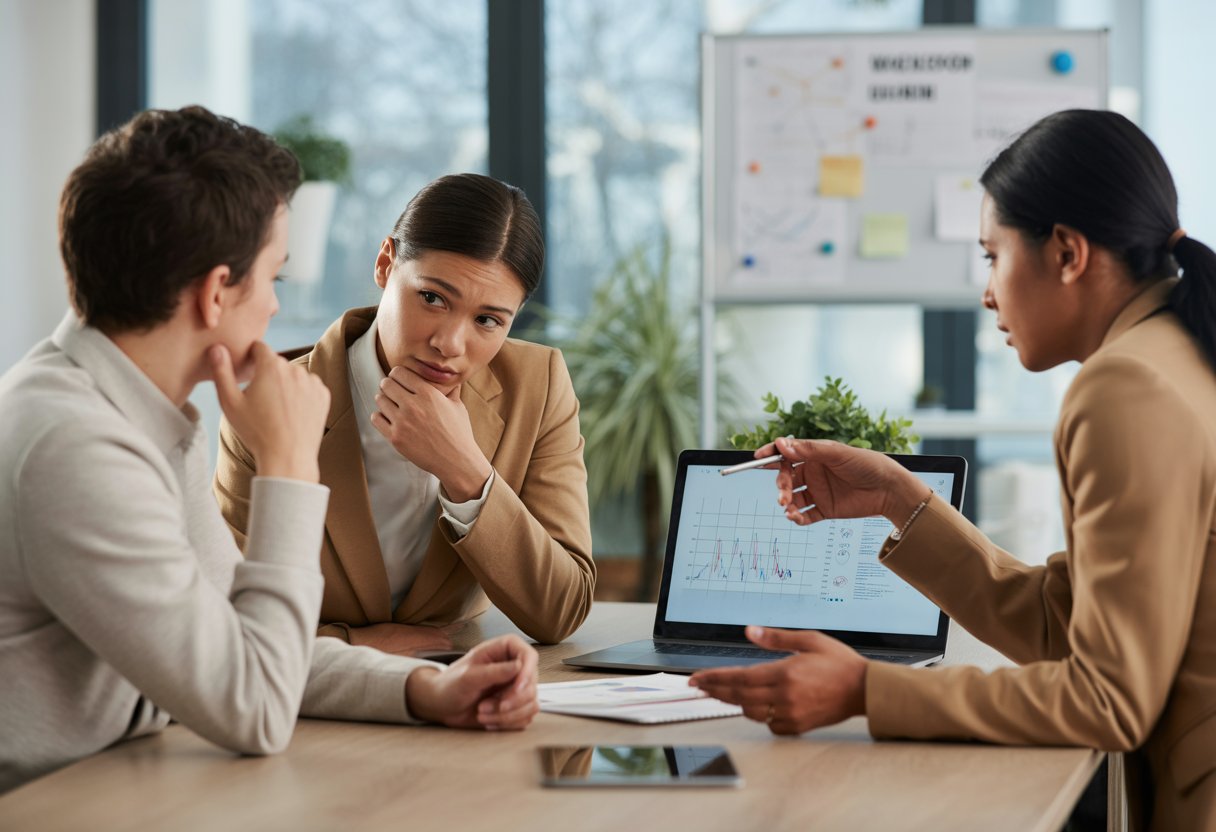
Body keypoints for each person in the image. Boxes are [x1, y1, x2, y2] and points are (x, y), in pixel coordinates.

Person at [689, 109, 1216, 831]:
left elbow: (1109, 700)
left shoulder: (1126, 389)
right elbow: (1067, 624)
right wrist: (898, 497)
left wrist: (867, 691)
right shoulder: (1177, 358)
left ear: (1066, 252)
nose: (987, 292)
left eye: (991, 256)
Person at [0, 107, 539, 794]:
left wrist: (428, 687)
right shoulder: (72, 444)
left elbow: (246, 643)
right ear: (216, 293)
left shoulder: (127, 413)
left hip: (119, 783)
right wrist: (287, 462)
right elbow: (255, 705)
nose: (277, 313)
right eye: (274, 279)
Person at [214, 173, 595, 654]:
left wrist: (466, 471)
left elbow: (562, 610)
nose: (449, 345)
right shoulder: (273, 401)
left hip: (467, 693)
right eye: (433, 298)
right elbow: (227, 617)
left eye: (487, 320)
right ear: (385, 263)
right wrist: (356, 643)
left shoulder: (538, 387)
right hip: (306, 701)